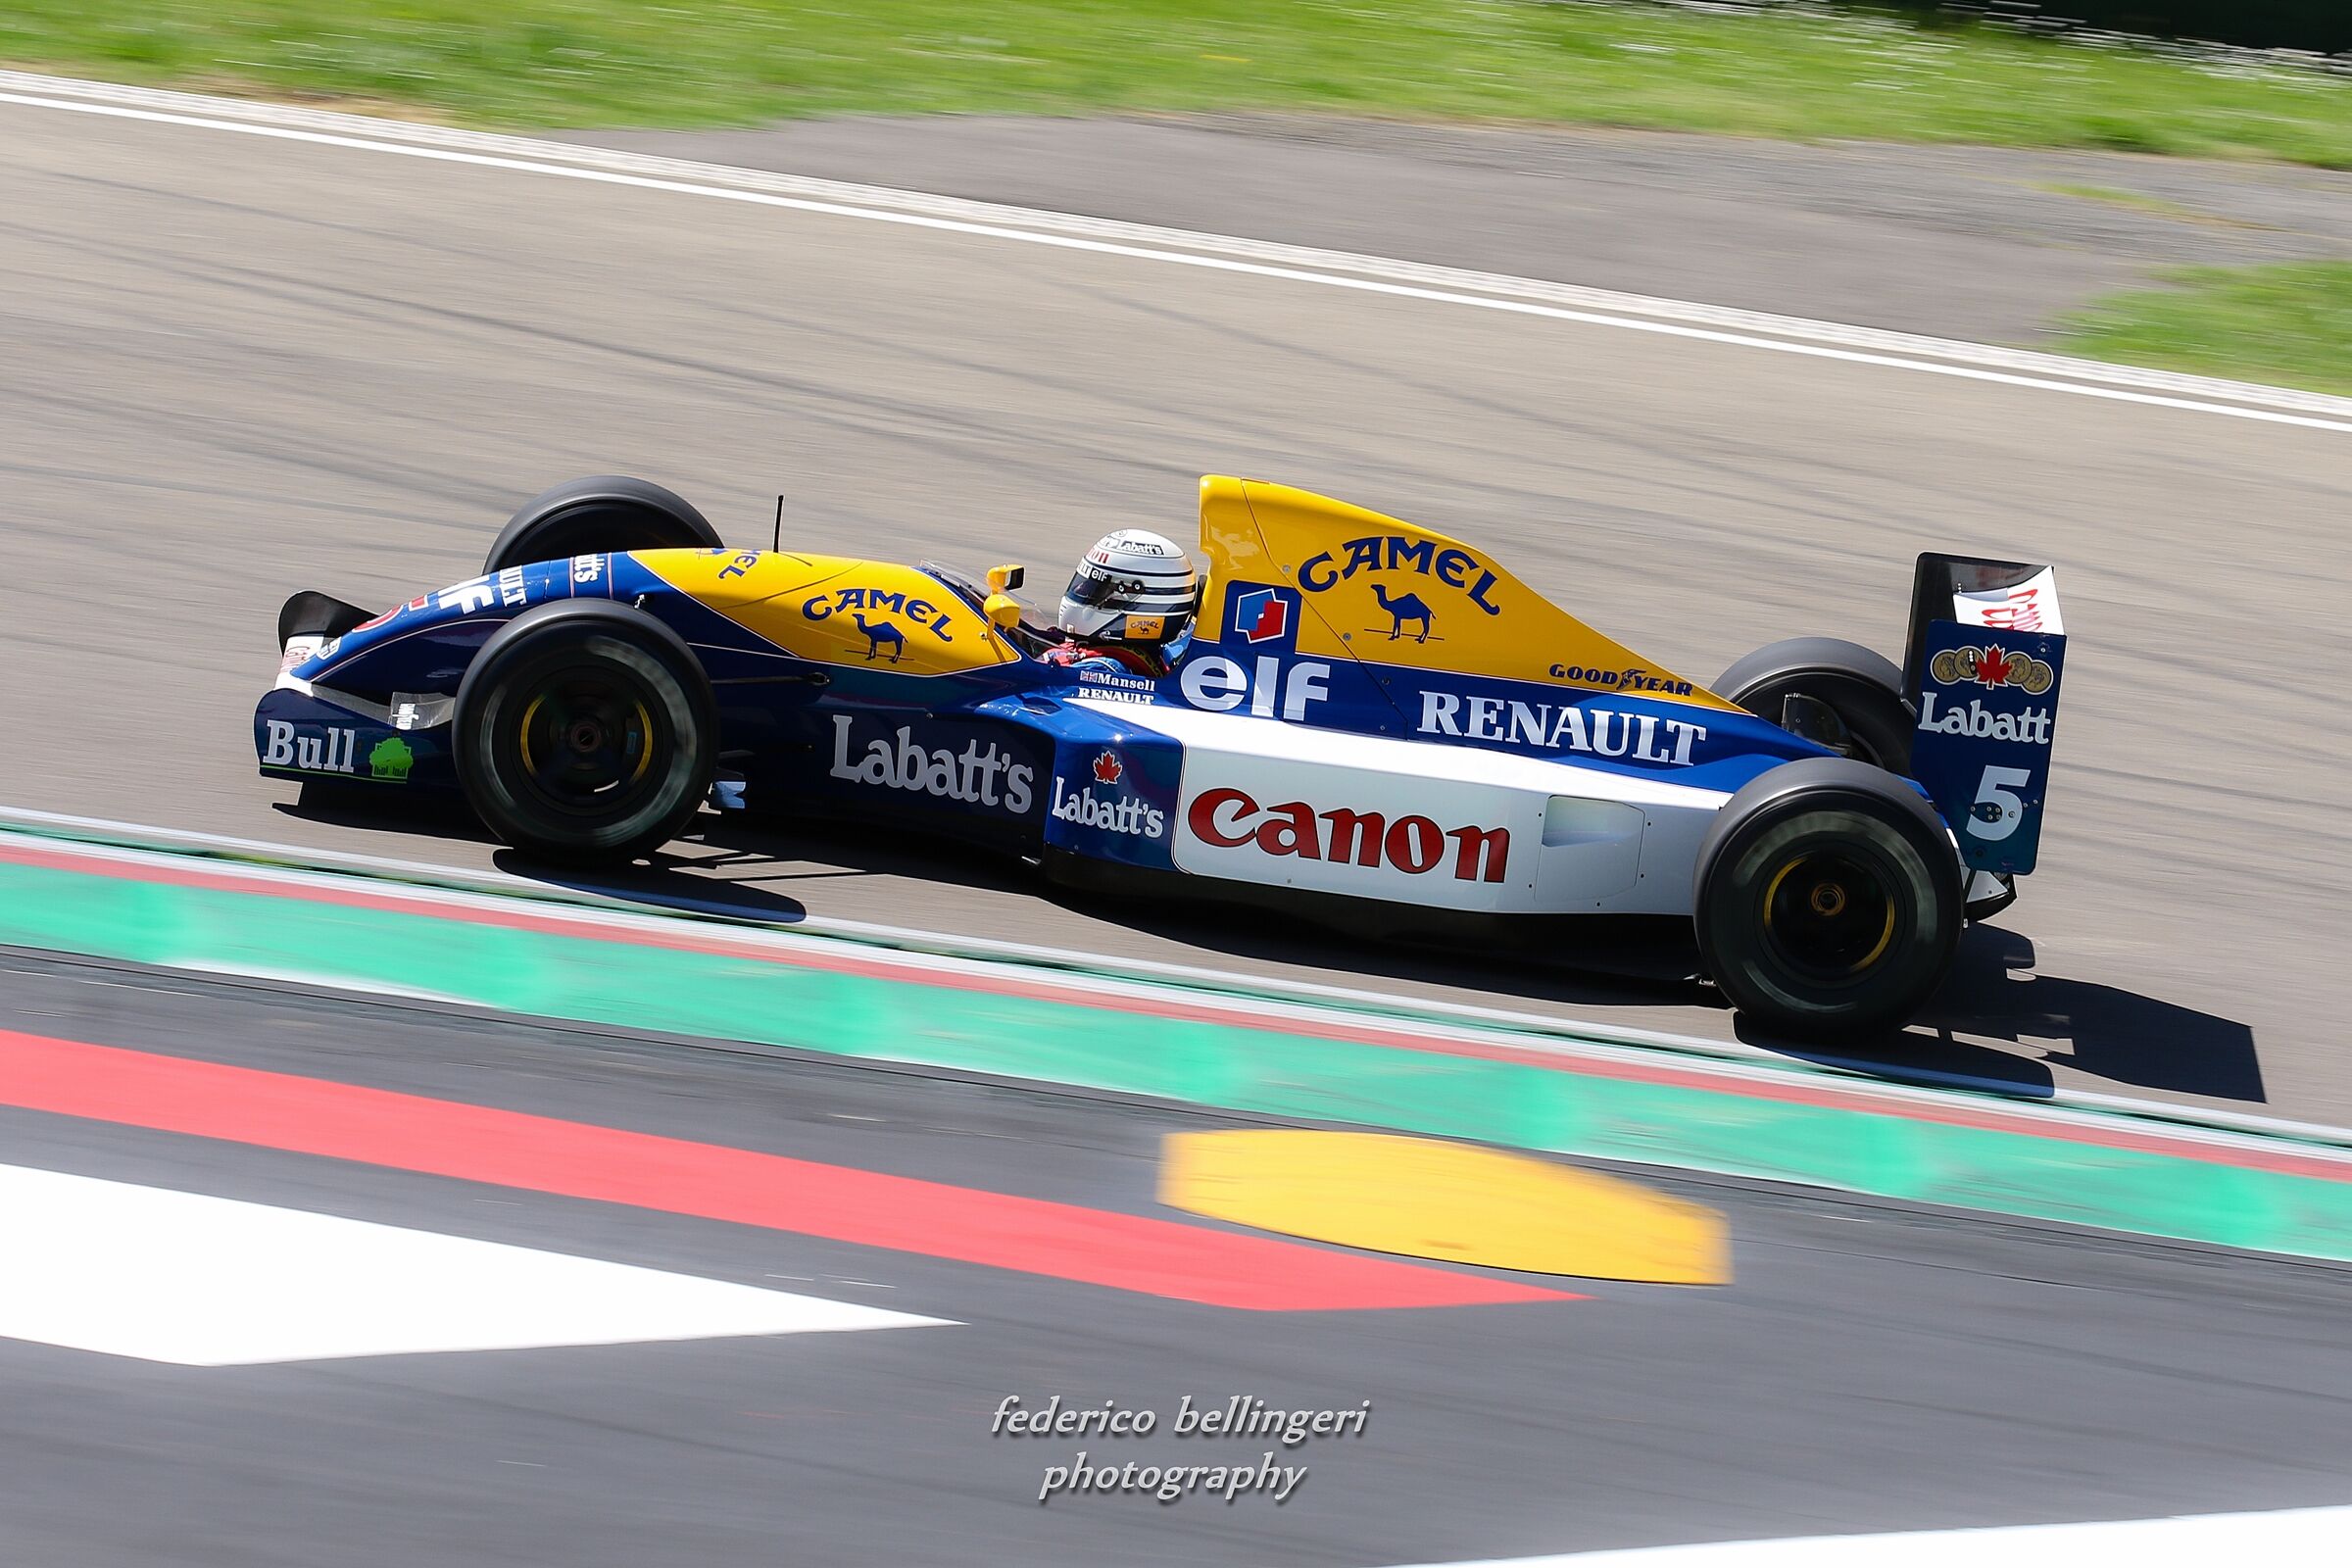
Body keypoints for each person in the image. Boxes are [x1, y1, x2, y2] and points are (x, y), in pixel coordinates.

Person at [1037, 529, 1200, 678]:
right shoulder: (1165, 652)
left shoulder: (1104, 670)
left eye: (1094, 591)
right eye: (1082, 583)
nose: (1080, 591)